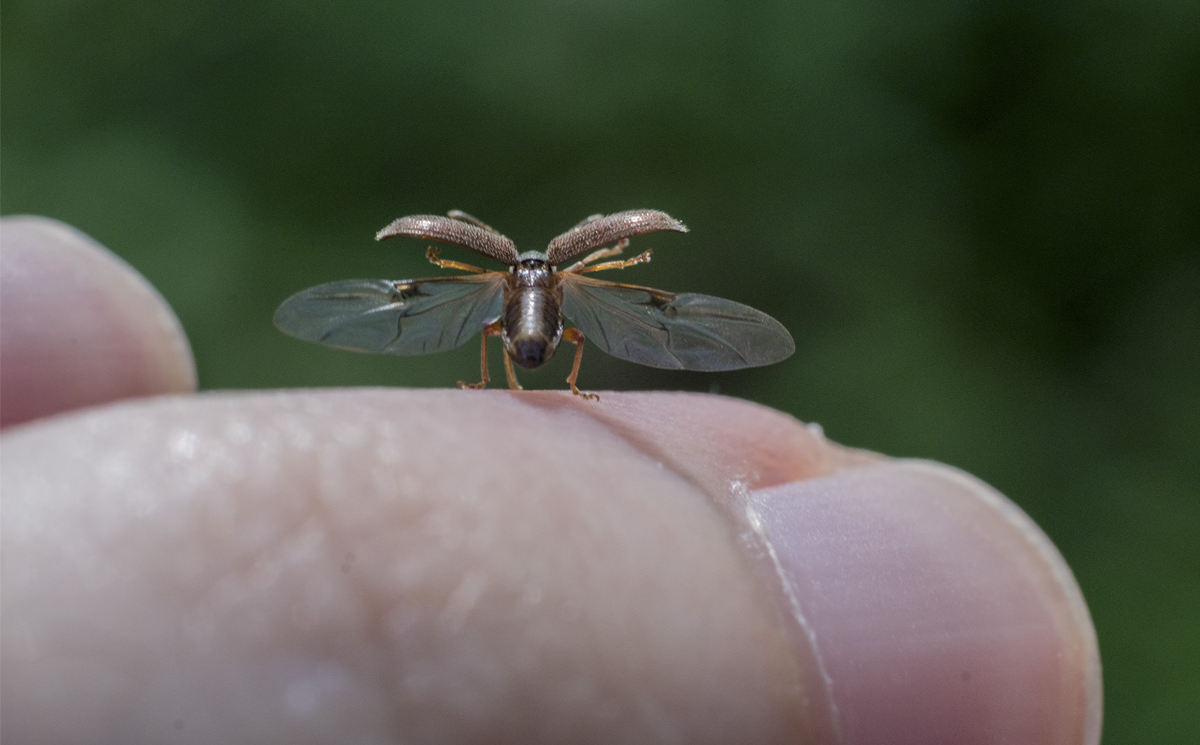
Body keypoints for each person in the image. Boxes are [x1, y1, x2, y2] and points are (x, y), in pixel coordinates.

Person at [0, 216, 1101, 744]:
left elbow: (665, 321)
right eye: (522, 277)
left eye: (541, 278)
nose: (530, 287)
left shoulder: (567, 290)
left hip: (541, 374)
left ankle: (529, 393)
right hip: (518, 375)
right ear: (512, 284)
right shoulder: (514, 293)